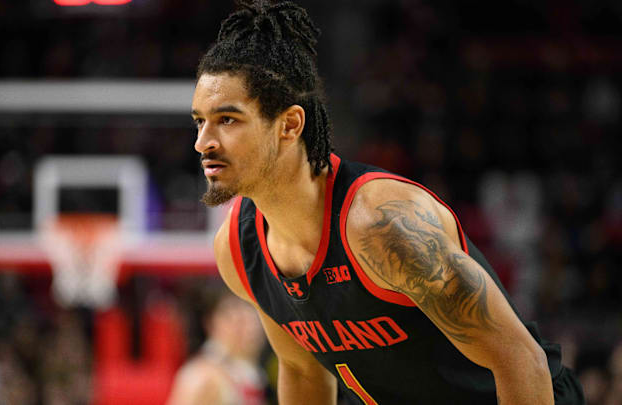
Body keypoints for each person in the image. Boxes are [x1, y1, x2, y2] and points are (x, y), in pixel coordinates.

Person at [190, 1, 584, 403]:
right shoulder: (238, 249)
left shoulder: (382, 226)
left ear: (289, 125)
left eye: (227, 120)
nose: (203, 142)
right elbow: (302, 370)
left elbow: (520, 360)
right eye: (200, 121)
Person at [166, 288, 266, 405]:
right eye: (238, 321)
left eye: (252, 320)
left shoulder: (246, 371)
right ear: (210, 323)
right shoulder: (203, 376)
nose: (250, 329)